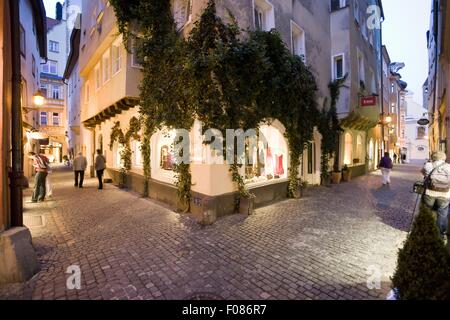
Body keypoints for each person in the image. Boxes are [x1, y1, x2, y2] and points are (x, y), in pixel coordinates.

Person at [422, 151, 450, 239]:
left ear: (434, 157)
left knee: (427, 212)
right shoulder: (449, 167)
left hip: (430, 193)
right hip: (445, 194)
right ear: (444, 157)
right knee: (443, 213)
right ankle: (441, 234)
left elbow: (423, 173)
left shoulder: (428, 165)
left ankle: (427, 231)